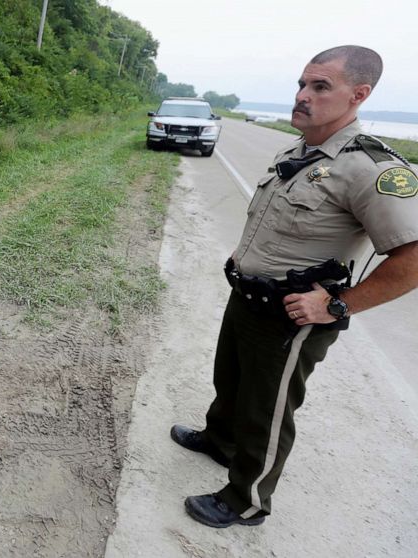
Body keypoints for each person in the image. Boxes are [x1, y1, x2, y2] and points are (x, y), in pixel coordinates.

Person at [171, 45, 418, 528]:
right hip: (247, 294)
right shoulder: (299, 152)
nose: (303, 95)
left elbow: (412, 258)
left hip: (293, 314)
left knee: (268, 408)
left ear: (359, 95)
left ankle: (247, 500)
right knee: (232, 382)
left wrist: (339, 306)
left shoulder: (371, 168)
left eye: (320, 86)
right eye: (302, 84)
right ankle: (221, 443)